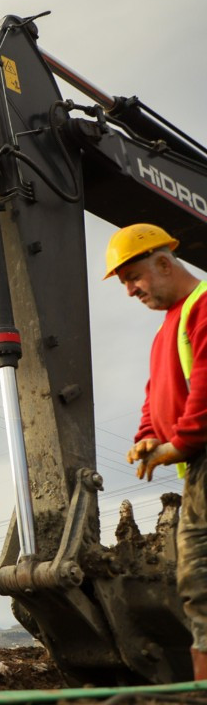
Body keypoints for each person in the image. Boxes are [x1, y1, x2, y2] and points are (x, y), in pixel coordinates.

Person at [106, 223, 207, 678]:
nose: (129, 291)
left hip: (201, 458)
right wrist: (147, 435)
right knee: (196, 582)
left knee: (201, 581)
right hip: (198, 469)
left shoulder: (203, 306)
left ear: (164, 263)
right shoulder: (171, 324)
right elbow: (156, 394)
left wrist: (178, 445)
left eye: (133, 277)